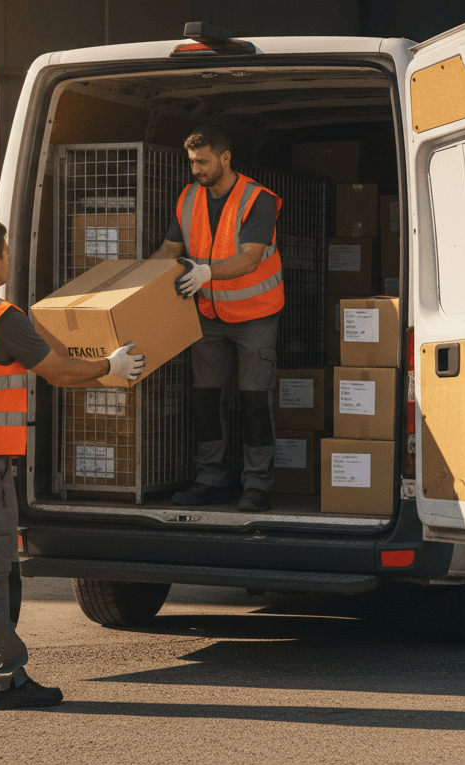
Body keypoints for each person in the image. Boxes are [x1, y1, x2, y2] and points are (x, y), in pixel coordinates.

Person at [0, 221, 144, 710]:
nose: (9, 260)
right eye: (7, 254)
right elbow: (56, 371)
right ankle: (7, 678)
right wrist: (109, 366)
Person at [150, 125, 283, 513]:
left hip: (255, 315)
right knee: (206, 399)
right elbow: (169, 249)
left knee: (255, 400)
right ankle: (211, 478)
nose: (196, 169)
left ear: (225, 158)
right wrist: (138, 279)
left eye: (203, 161)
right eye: (192, 162)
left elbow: (249, 258)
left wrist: (205, 272)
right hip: (208, 313)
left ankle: (257, 484)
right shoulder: (189, 197)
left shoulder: (258, 200)